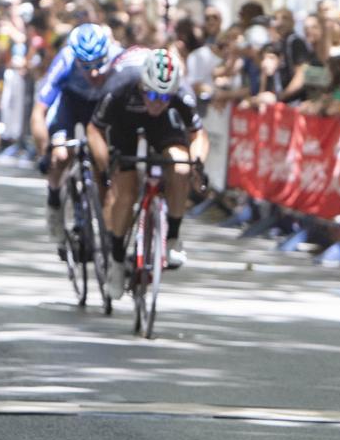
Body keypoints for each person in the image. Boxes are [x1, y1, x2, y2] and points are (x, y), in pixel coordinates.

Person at [87, 48, 208, 300]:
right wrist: (105, 167)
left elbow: (198, 135)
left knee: (181, 165)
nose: (157, 102)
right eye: (152, 94)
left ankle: (172, 237)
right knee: (125, 190)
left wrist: (197, 164)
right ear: (143, 84)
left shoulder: (180, 93)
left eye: (165, 97)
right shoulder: (119, 85)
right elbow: (94, 130)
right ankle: (117, 261)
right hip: (124, 124)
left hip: (163, 126)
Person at [31, 23, 122, 246]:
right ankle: (54, 200)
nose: (92, 72)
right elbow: (38, 112)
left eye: (98, 64)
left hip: (100, 107)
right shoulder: (66, 58)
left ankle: (98, 221)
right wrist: (44, 151)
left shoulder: (118, 58)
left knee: (102, 166)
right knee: (61, 156)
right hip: (70, 104)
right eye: (85, 64)